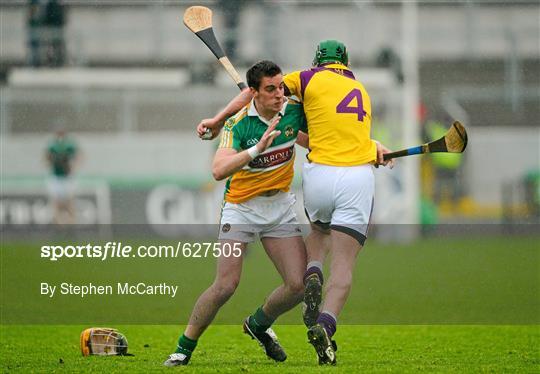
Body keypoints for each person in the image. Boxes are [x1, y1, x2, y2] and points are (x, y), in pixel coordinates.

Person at [196, 40, 394, 365]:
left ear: (318, 61)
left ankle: (312, 269)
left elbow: (253, 96)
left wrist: (217, 120)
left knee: (319, 231)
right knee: (343, 265)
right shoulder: (361, 89)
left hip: (320, 174)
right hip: (357, 174)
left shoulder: (307, 78)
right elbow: (337, 131)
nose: (277, 94)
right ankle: (326, 325)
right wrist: (373, 147)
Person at [164, 60, 308, 367]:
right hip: (241, 209)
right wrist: (256, 149)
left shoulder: (293, 112)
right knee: (225, 286)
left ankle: (258, 324)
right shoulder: (238, 125)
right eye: (270, 89)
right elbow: (218, 170)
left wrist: (367, 148)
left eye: (281, 87)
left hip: (280, 208)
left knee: (298, 285)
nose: (279, 94)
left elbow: (321, 140)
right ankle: (183, 348)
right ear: (254, 93)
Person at [45, 127, 79, 224]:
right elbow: (47, 159)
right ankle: (58, 224)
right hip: (56, 177)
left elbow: (77, 158)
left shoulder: (69, 146)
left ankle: (71, 224)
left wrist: (72, 167)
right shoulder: (53, 146)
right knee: (56, 203)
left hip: (67, 177)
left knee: (69, 203)